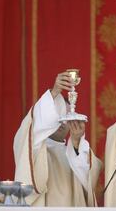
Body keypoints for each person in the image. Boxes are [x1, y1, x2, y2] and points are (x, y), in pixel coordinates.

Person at [13, 71, 102, 206]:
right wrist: (54, 92)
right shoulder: (34, 147)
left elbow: (89, 180)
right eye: (58, 115)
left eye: (66, 117)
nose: (62, 122)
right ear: (49, 116)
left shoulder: (76, 152)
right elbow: (33, 128)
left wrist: (77, 143)